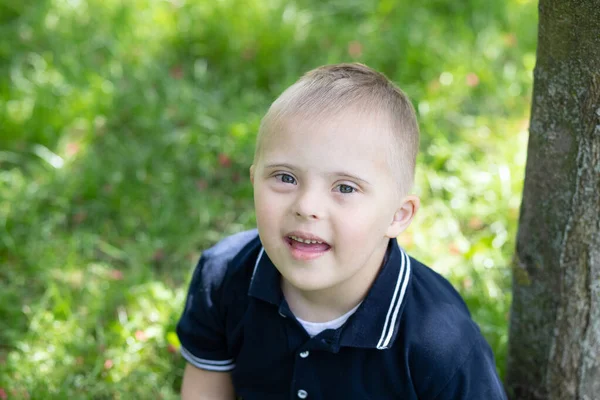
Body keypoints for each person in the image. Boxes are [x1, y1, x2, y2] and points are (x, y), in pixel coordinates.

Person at [176, 63, 507, 399]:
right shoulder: (224, 275)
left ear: (397, 215)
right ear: (253, 180)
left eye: (345, 188)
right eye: (285, 178)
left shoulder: (440, 342)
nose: (307, 206)